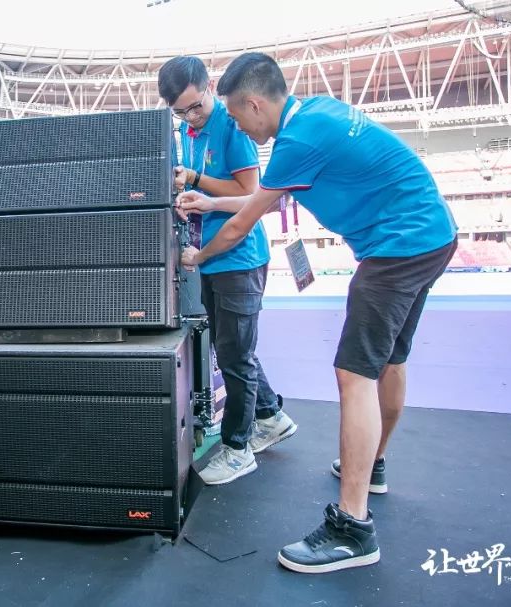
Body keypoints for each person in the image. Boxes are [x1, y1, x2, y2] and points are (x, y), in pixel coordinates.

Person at [176, 51, 458, 574]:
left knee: (354, 375)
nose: (240, 127)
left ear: (254, 104)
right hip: (433, 234)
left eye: (237, 116)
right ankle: (372, 465)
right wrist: (209, 204)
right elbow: (263, 199)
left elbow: (241, 224)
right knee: (390, 361)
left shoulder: (295, 142)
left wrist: (199, 256)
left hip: (397, 247)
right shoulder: (317, 112)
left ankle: (352, 529)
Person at [157, 56, 297, 486]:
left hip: (239, 257)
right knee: (231, 349)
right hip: (214, 255)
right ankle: (271, 416)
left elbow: (252, 195)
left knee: (236, 357)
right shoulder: (189, 130)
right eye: (180, 112)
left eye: (195, 106)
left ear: (209, 87)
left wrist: (196, 181)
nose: (190, 116)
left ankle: (238, 448)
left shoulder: (234, 126)